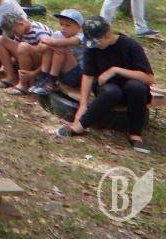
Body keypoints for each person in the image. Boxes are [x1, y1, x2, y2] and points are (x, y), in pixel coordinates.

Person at [56, 17, 156, 154]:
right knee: (112, 91)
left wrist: (115, 70)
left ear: (108, 33)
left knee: (136, 87)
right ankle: (80, 126)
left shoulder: (130, 46)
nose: (95, 45)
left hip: (131, 90)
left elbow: (149, 78)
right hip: (107, 89)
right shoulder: (91, 48)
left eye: (97, 41)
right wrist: (83, 104)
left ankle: (135, 134)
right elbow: (88, 75)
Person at [0, 12, 52, 94]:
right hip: (29, 57)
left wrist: (34, 73)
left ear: (21, 24)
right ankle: (11, 78)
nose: (14, 34)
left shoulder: (39, 31)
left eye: (15, 32)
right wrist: (6, 64)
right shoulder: (20, 31)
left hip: (43, 64)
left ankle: (23, 84)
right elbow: (18, 51)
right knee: (0, 40)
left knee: (23, 46)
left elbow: (50, 57)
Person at [29, 9, 85, 96]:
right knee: (50, 47)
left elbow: (57, 43)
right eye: (61, 24)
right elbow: (39, 49)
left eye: (68, 25)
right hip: (60, 73)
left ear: (79, 27)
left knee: (59, 46)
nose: (63, 28)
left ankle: (51, 80)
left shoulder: (80, 37)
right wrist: (49, 44)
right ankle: (44, 76)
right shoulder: (58, 34)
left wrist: (46, 41)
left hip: (76, 75)